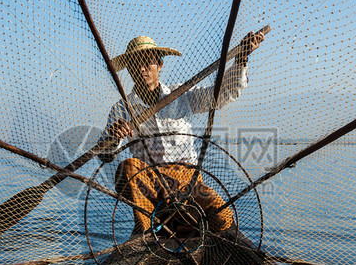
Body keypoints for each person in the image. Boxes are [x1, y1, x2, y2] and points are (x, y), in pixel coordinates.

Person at [102, 30, 265, 235]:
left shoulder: (180, 95)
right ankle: (146, 231)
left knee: (222, 218)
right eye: (136, 63)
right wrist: (112, 137)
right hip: (150, 183)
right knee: (128, 168)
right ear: (129, 70)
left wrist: (241, 58)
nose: (142, 68)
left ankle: (185, 223)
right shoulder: (121, 109)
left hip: (187, 181)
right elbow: (106, 155)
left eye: (148, 62)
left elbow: (224, 93)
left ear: (160, 65)